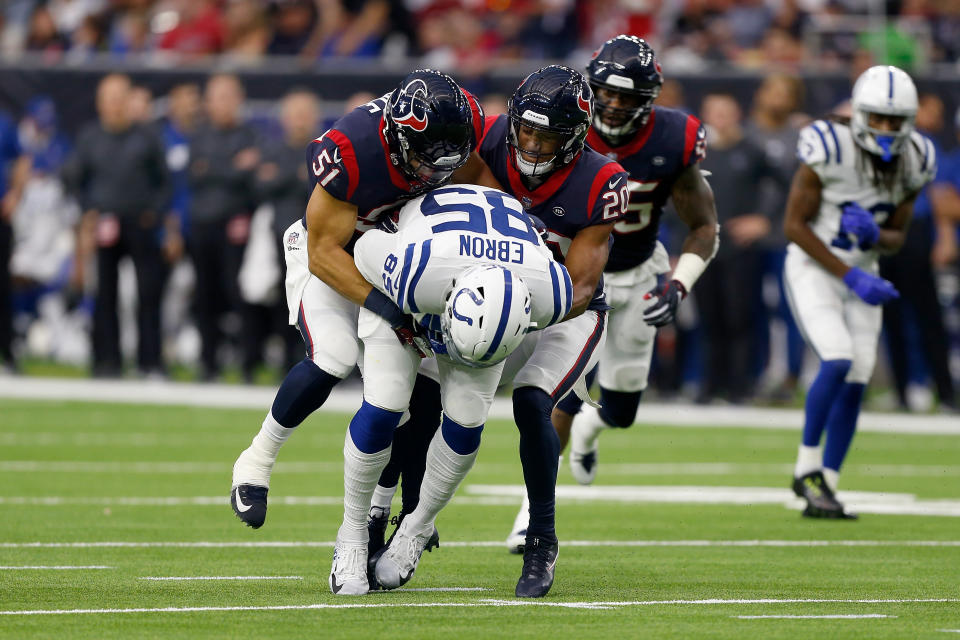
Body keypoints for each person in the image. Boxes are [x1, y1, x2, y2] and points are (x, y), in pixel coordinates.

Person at [371, 65, 630, 599]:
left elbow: (579, 286)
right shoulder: (482, 141)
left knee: (532, 403)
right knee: (420, 389)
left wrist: (508, 309)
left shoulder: (600, 182)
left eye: (548, 136)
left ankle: (541, 539)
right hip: (479, 298)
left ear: (576, 138)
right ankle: (401, 513)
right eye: (527, 131)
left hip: (563, 311)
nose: (533, 145)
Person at [229, 69, 490, 529]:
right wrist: (387, 309)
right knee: (335, 355)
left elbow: (481, 183)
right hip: (334, 256)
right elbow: (322, 253)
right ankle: (256, 459)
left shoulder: (459, 121)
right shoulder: (353, 147)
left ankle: (383, 508)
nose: (434, 172)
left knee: (403, 391)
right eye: (426, 159)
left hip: (399, 264)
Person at [329, 184, 574, 595]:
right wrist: (400, 320)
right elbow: (365, 245)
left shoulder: (550, 291)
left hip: (489, 297)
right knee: (387, 403)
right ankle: (352, 534)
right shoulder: (414, 271)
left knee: (466, 423)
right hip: (405, 293)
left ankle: (416, 527)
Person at [554, 36, 718, 488]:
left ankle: (590, 430)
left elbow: (704, 226)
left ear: (647, 100)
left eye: (626, 96)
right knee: (565, 389)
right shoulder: (565, 126)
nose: (612, 104)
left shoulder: (673, 137)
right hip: (578, 274)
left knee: (621, 411)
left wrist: (679, 284)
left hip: (639, 270)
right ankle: (533, 513)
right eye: (606, 92)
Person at [786, 65, 935, 518]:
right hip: (816, 265)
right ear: (860, 113)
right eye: (878, 118)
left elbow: (897, 234)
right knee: (837, 356)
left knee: (859, 374)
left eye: (896, 121)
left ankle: (825, 485)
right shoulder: (828, 145)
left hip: (862, 271)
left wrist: (874, 237)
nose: (887, 130)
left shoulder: (917, 158)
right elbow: (793, 226)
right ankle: (805, 467)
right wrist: (849, 275)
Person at [62, 74, 172, 378]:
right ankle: (106, 361)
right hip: (104, 223)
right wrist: (88, 211)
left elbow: (164, 181)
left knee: (148, 293)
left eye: (119, 98)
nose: (113, 105)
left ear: (129, 100)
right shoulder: (89, 137)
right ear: (99, 104)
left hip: (140, 222)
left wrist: (155, 212)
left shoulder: (147, 136)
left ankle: (150, 362)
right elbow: (74, 179)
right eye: (108, 99)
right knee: (104, 294)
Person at [693, 92, 773, 405]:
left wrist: (764, 220)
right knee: (708, 318)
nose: (720, 119)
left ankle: (741, 386)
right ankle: (710, 385)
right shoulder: (696, 156)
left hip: (740, 248)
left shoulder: (752, 152)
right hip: (702, 247)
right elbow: (676, 200)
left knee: (740, 316)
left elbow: (786, 185)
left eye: (726, 112)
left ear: (737, 114)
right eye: (714, 112)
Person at [878, 93, 956, 411]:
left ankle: (946, 393)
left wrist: (944, 237)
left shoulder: (924, 143)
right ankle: (901, 393)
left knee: (928, 316)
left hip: (914, 230)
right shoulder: (872, 142)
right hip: (880, 233)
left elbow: (938, 195)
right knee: (892, 317)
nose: (935, 117)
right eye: (931, 109)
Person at [187, 74, 260, 382]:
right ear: (208, 102)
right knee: (205, 296)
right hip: (203, 226)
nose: (224, 103)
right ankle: (208, 362)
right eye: (218, 96)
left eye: (230, 95)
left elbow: (254, 177)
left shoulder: (251, 136)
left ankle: (248, 363)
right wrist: (233, 167)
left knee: (240, 294)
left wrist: (216, 169)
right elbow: (196, 174)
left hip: (238, 227)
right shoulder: (199, 136)